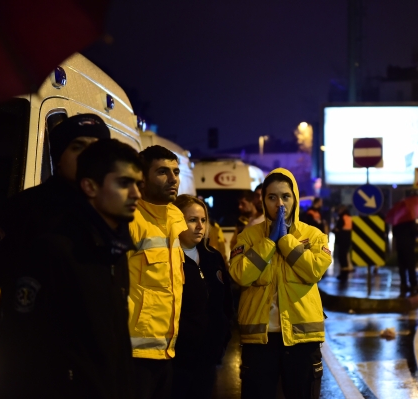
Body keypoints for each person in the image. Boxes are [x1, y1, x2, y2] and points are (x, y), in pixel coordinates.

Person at [0, 139, 142, 398]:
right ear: (90, 186)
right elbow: (21, 343)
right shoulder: (54, 250)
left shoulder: (114, 252)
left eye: (138, 184)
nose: (136, 194)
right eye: (124, 183)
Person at [0, 114, 110, 371]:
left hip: (92, 373)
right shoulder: (23, 209)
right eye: (78, 147)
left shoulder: (113, 217)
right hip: (34, 372)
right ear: (58, 157)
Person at [229, 168, 332, 399]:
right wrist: (268, 243)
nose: (280, 204)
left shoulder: (314, 236)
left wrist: (285, 240)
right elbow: (240, 275)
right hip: (260, 341)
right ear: (263, 201)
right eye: (272, 197)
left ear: (294, 198)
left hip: (302, 341)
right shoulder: (248, 236)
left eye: (286, 196)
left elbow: (314, 271)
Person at [126, 145, 187, 399]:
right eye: (163, 172)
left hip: (166, 350)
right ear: (142, 176)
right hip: (132, 355)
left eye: (176, 171)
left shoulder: (174, 216)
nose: (173, 179)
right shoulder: (130, 218)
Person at [171, 195, 233, 399]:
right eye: (192, 220)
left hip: (208, 358)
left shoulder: (212, 256)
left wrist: (222, 341)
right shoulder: (168, 259)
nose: (200, 226)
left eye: (203, 220)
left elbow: (226, 303)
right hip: (178, 362)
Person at [392, 220, 418, 294]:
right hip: (409, 246)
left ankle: (403, 284)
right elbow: (415, 232)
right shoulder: (410, 221)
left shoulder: (397, 221)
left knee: (402, 266)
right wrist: (417, 229)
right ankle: (413, 284)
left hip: (400, 246)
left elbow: (394, 233)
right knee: (411, 265)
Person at [333, 205, 352, 282]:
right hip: (347, 239)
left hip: (342, 239)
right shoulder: (348, 216)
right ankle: (345, 273)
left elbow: (338, 228)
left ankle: (343, 274)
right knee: (344, 257)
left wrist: (334, 230)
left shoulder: (342, 217)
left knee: (342, 257)